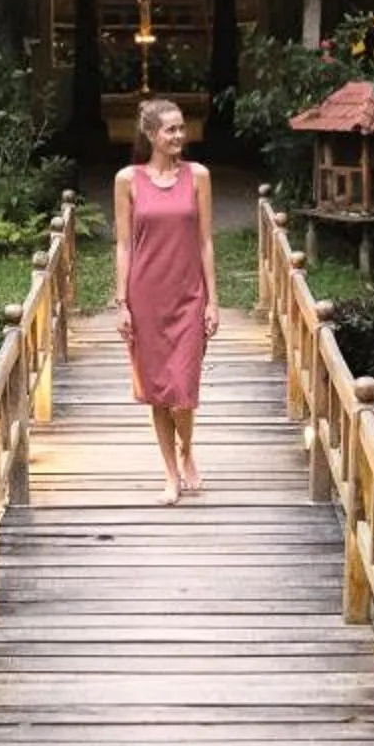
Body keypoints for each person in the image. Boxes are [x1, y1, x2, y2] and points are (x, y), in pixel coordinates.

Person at [113, 95, 217, 503]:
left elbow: (206, 240)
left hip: (189, 294)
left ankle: (187, 450)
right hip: (146, 297)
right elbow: (123, 246)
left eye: (181, 127)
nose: (179, 134)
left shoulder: (199, 176)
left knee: (183, 389)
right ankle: (171, 473)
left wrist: (213, 300)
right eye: (170, 129)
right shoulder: (127, 180)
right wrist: (121, 302)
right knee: (158, 390)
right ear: (151, 135)